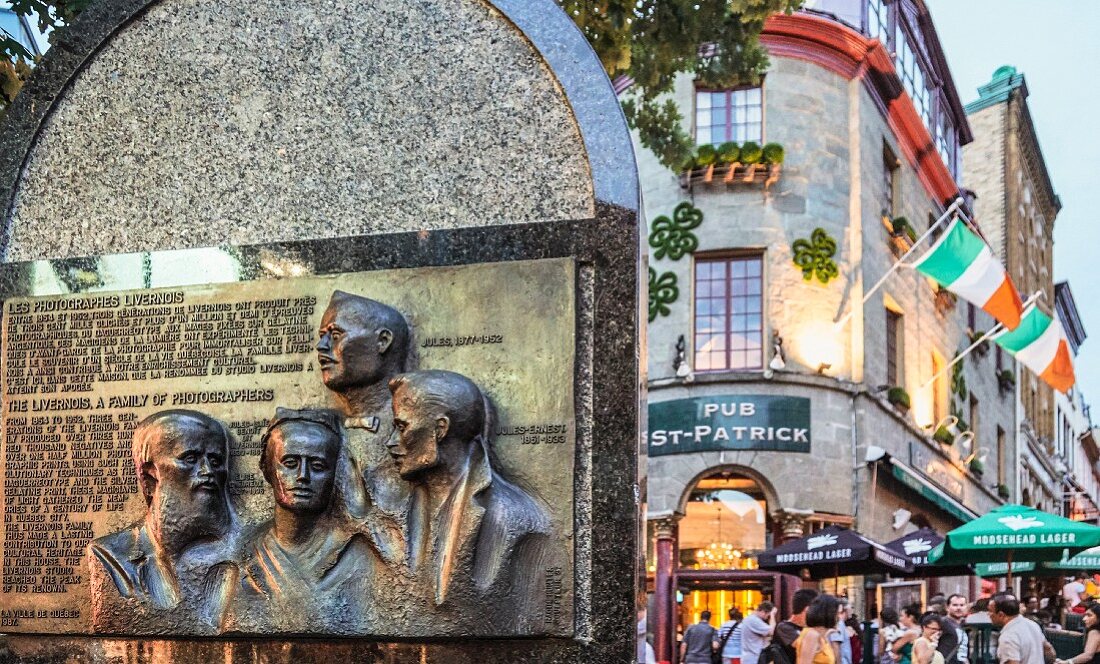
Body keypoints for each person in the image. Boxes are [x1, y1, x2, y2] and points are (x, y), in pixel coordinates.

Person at [387, 370, 551, 629]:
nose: (390, 442)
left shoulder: (517, 519)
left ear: (440, 430)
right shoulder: (395, 509)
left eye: (401, 427)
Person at [89, 410, 240, 633]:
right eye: (190, 458)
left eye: (216, 460)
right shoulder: (110, 556)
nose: (208, 471)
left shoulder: (243, 558)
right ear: (151, 475)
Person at [235, 408, 378, 633]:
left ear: (335, 474)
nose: (303, 476)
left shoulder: (358, 558)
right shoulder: (241, 551)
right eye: (290, 463)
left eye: (317, 466)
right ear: (267, 469)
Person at [316, 290, 410, 564]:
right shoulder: (318, 430)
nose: (321, 347)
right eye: (322, 336)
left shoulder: (416, 431)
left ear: (382, 342)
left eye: (335, 336)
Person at [990, 593, 1048, 664]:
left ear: (1001, 615)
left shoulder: (1008, 637)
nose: (988, 614)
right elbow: (1049, 649)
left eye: (990, 611)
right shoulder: (1033, 625)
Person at [777, 589, 822, 664]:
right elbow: (805, 647)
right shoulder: (784, 627)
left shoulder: (808, 628)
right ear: (807, 609)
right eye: (816, 610)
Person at [795, 594, 840, 664]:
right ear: (829, 614)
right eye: (837, 613)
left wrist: (827, 633)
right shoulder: (812, 635)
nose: (838, 617)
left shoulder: (819, 636)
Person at [941, 594, 968, 664]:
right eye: (955, 605)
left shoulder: (964, 624)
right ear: (947, 607)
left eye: (962, 605)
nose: (959, 608)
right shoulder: (942, 622)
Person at [830, 599, 854, 664]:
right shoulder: (839, 623)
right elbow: (835, 645)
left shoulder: (841, 623)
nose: (852, 611)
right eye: (851, 608)